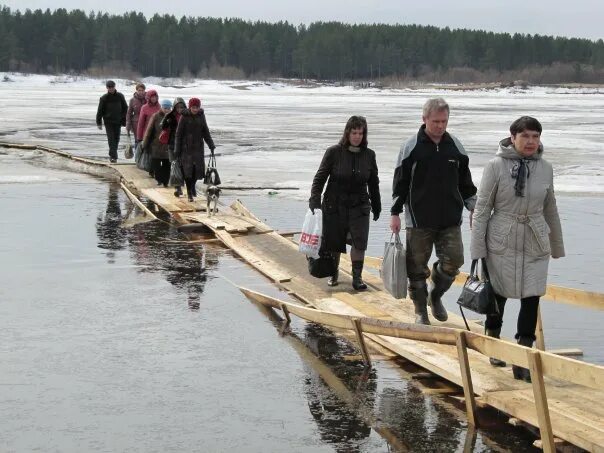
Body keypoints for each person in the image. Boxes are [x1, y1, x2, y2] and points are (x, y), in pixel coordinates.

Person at [470, 116, 564, 382]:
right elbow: (482, 209)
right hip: (502, 237)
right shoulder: (495, 166)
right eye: (525, 136)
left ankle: (524, 352)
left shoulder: (545, 168)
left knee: (532, 295)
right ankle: (493, 338)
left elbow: (550, 207)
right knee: (498, 292)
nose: (531, 142)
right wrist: (478, 248)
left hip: (534, 237)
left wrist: (556, 245)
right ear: (513, 138)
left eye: (535, 136)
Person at [390, 98, 477, 324]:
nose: (440, 126)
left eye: (444, 121)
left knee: (454, 262)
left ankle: (435, 295)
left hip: (450, 217)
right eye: (436, 121)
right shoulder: (411, 147)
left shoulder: (455, 146)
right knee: (416, 267)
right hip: (419, 218)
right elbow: (400, 182)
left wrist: (473, 208)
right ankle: (421, 311)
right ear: (424, 119)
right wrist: (395, 212)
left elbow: (465, 183)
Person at [309, 115, 381, 290]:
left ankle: (357, 278)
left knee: (359, 242)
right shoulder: (334, 152)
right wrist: (314, 199)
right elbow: (320, 178)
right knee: (334, 241)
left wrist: (377, 204)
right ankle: (333, 273)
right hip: (335, 204)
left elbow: (373, 182)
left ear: (364, 135)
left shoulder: (369, 155)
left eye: (360, 133)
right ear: (347, 133)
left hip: (360, 205)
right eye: (354, 132)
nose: (357, 136)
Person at [174, 97, 216, 202]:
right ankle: (189, 193)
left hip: (198, 148)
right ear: (190, 107)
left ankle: (192, 186)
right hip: (186, 148)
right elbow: (178, 135)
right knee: (187, 171)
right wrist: (177, 149)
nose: (195, 109)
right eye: (193, 107)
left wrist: (211, 144)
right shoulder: (184, 117)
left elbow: (205, 132)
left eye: (197, 107)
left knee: (196, 171)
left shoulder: (201, 116)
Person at [142, 99, 172, 187]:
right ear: (161, 107)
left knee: (167, 165)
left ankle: (165, 182)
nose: (166, 110)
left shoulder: (172, 117)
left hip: (168, 146)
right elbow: (149, 130)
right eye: (165, 108)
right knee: (156, 165)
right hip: (156, 145)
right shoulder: (155, 116)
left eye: (168, 108)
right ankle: (159, 179)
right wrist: (145, 143)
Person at [96, 80, 128, 163]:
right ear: (107, 88)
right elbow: (100, 111)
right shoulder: (104, 98)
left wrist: (124, 118)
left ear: (115, 87)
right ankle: (113, 157)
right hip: (108, 122)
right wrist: (98, 122)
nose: (111, 88)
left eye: (112, 87)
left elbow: (125, 108)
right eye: (109, 87)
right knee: (111, 139)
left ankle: (112, 155)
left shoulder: (120, 96)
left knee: (116, 139)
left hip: (118, 121)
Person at [160, 97, 186, 197]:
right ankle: (177, 188)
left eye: (182, 107)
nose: (180, 109)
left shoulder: (187, 115)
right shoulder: (171, 116)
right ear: (174, 107)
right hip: (172, 145)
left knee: (182, 166)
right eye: (178, 107)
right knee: (174, 165)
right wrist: (167, 120)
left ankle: (182, 185)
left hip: (184, 146)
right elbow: (162, 127)